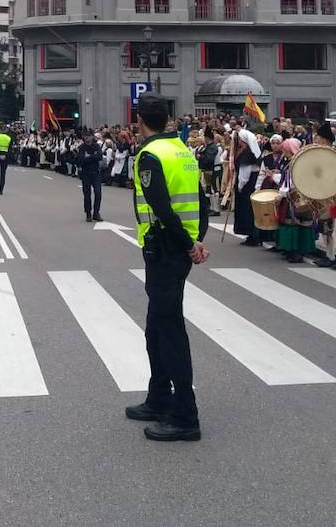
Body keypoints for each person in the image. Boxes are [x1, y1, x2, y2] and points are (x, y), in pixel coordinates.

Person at [125, 94, 207, 443]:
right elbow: (201, 199)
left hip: (166, 250)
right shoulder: (182, 150)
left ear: (139, 120)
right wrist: (197, 238)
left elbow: (161, 206)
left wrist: (189, 245)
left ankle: (185, 415)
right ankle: (159, 397)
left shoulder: (150, 154)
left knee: (170, 331)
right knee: (155, 327)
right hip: (178, 248)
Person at [78, 133, 103, 223]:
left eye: (89, 136)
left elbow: (100, 156)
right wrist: (93, 157)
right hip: (86, 174)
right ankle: (88, 213)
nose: (87, 138)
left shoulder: (96, 146)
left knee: (98, 193)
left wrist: (89, 157)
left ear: (92, 137)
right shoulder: (81, 147)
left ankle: (96, 213)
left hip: (96, 173)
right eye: (86, 136)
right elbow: (81, 159)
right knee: (87, 194)